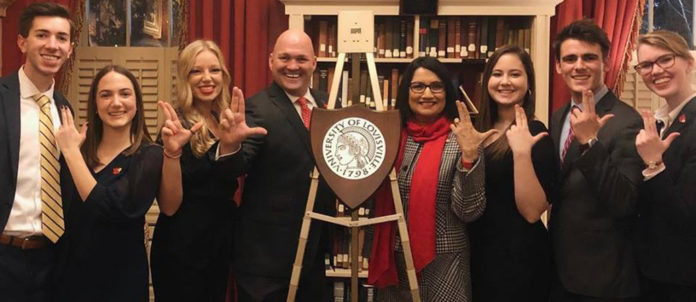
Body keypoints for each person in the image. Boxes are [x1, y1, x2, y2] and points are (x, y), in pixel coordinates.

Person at [222, 29, 336, 301]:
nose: (293, 66)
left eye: (301, 59)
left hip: (314, 254)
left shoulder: (329, 105)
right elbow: (236, 167)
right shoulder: (256, 108)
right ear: (271, 61)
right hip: (265, 261)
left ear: (314, 63)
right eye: (285, 58)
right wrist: (229, 145)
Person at [367, 56, 492, 301]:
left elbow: (468, 211)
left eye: (436, 86)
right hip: (392, 261)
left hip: (443, 265)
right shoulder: (389, 136)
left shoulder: (462, 139)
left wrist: (469, 157)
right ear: (406, 92)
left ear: (447, 92)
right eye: (418, 86)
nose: (427, 94)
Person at [150, 40, 266, 302]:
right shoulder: (175, 127)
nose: (206, 78)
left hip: (219, 241)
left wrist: (230, 143)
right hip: (182, 245)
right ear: (184, 77)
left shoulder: (227, 121)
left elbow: (229, 176)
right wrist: (173, 152)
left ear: (223, 75)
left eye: (214, 70)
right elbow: (169, 206)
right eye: (196, 71)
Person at [548, 19, 644, 302]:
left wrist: (591, 144)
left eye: (589, 57)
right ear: (558, 67)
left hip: (602, 278)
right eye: (570, 58)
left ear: (607, 62)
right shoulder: (558, 116)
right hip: (560, 269)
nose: (578, 66)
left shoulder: (627, 121)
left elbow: (624, 201)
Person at [53, 65, 166, 301]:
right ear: (95, 104)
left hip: (120, 284)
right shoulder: (79, 152)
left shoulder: (150, 155)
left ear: (137, 103)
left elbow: (113, 209)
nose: (116, 103)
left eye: (125, 94)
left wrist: (71, 153)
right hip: (70, 281)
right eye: (106, 95)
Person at [469, 45, 557, 302]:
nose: (505, 81)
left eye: (515, 74)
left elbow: (532, 212)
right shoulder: (475, 130)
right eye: (497, 74)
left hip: (518, 261)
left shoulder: (536, 132)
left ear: (528, 83)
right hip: (476, 253)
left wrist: (520, 153)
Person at [0, 3, 74, 301]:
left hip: (51, 259)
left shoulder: (65, 108)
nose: (52, 45)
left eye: (61, 37)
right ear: (22, 41)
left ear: (70, 48)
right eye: (42, 35)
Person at [633, 30, 696, 301]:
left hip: (684, 278)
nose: (655, 71)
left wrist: (654, 164)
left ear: (689, 63)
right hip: (654, 270)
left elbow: (687, 216)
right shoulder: (661, 122)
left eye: (665, 60)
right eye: (646, 65)